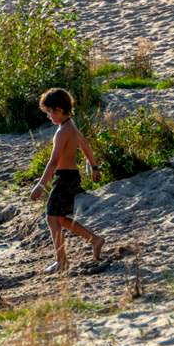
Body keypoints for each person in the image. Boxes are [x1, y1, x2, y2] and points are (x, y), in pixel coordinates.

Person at [31, 88, 105, 274]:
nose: (48, 117)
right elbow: (85, 144)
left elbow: (54, 161)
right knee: (59, 218)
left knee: (52, 218)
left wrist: (41, 185)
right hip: (70, 177)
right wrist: (94, 166)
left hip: (64, 178)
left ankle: (62, 261)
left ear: (59, 109)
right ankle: (94, 240)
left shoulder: (63, 131)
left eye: (49, 112)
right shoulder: (70, 125)